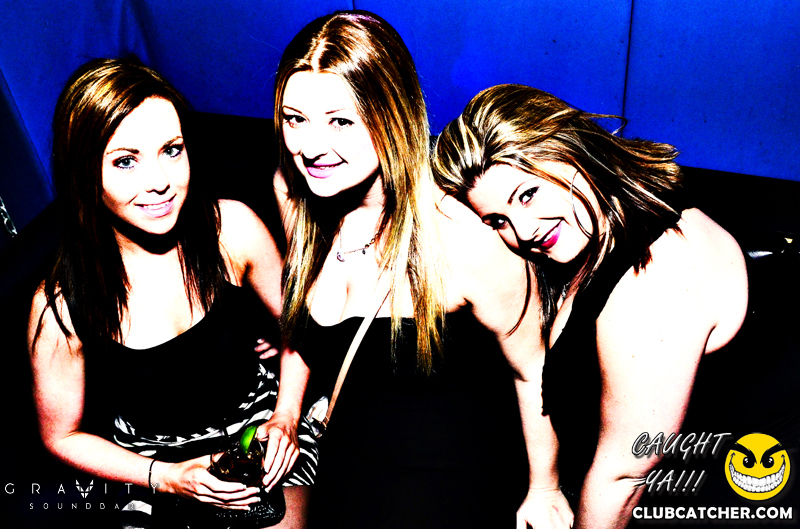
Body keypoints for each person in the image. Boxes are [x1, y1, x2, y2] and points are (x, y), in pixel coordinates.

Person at [433, 84, 800, 527]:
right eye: (498, 220)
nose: (524, 230)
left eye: (527, 195)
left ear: (572, 152)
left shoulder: (654, 273)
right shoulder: (599, 235)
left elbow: (623, 477)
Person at [272, 11, 573, 529]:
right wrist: (286, 413)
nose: (311, 147)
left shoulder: (462, 236)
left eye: (340, 121)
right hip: (344, 473)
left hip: (444, 486)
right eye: (294, 119)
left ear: (392, 115)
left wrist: (544, 488)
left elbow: (533, 369)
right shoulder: (296, 196)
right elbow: (301, 330)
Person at [28, 56, 318, 529]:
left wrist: (285, 414)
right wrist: (166, 477)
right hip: (154, 463)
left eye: (172, 150)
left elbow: (304, 328)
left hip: (260, 428)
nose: (160, 181)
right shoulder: (63, 305)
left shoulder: (231, 229)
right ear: (84, 174)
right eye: (125, 161)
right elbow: (61, 436)